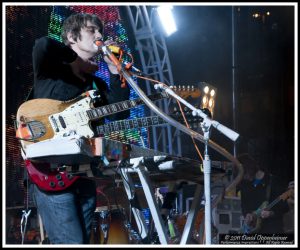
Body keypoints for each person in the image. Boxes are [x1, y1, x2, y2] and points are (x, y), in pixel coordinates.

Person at [27, 13, 130, 244]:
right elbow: (41, 44)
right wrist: (73, 59)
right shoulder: (51, 68)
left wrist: (117, 75)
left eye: (99, 31)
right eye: (93, 30)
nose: (100, 35)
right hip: (51, 172)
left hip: (84, 175)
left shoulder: (97, 84)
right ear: (72, 36)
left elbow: (120, 112)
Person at [237, 153, 289, 234]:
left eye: (244, 174)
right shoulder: (245, 184)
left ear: (249, 168)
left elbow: (285, 206)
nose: (243, 177)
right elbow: (244, 205)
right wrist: (247, 214)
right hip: (253, 232)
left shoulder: (273, 182)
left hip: (272, 231)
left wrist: (271, 213)